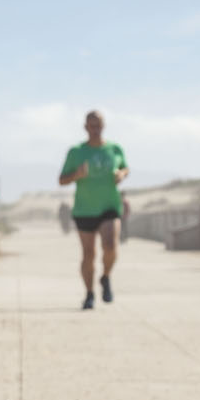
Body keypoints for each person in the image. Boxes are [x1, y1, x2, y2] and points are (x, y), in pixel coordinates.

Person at [58, 110, 129, 309]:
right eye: (91, 126)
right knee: (89, 254)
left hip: (110, 206)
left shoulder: (115, 149)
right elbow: (62, 180)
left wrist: (121, 174)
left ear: (103, 126)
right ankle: (89, 293)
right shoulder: (76, 152)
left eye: (98, 125)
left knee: (110, 246)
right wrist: (77, 175)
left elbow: (125, 168)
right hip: (85, 209)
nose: (95, 130)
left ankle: (105, 277)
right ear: (85, 127)